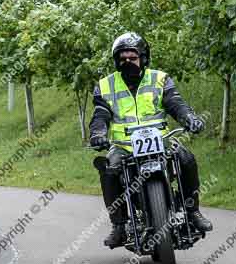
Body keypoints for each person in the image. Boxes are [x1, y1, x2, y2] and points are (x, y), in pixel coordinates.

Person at [88, 32, 213, 249]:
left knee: (186, 158)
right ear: (116, 61)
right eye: (123, 58)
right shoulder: (105, 85)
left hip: (162, 141)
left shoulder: (159, 78)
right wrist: (98, 134)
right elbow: (100, 114)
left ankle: (192, 212)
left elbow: (175, 103)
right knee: (109, 169)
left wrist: (189, 118)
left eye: (133, 58)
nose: (128, 62)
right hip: (124, 147)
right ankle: (119, 225)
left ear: (144, 58)